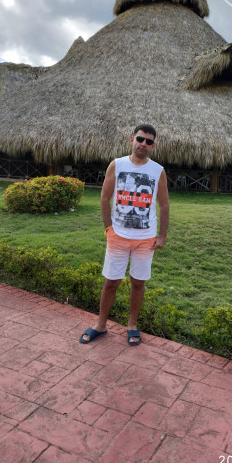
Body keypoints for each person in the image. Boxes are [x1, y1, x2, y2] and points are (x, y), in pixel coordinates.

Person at [80, 124, 169, 345]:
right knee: (111, 282)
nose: (143, 144)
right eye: (140, 139)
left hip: (146, 239)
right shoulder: (117, 165)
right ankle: (101, 324)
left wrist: (162, 235)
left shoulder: (157, 170)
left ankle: (132, 325)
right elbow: (104, 197)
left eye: (149, 141)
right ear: (132, 139)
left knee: (138, 283)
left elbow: (164, 204)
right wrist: (108, 227)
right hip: (118, 236)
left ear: (153, 145)